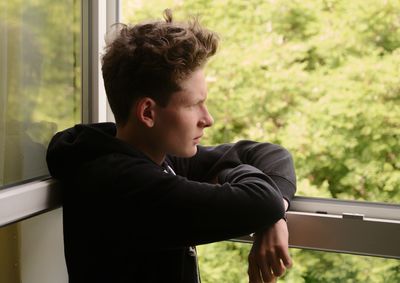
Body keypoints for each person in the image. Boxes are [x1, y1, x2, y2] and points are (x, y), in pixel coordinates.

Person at [46, 9, 296, 283]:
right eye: (193, 105)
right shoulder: (126, 187)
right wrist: (259, 200)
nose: (208, 119)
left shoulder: (152, 157)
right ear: (148, 113)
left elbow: (271, 155)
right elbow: (262, 200)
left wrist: (275, 214)